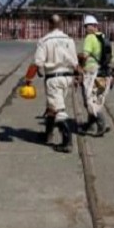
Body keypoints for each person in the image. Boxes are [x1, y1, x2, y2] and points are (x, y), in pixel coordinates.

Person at [33, 14, 80, 153]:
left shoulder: (44, 40)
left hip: (53, 79)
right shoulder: (69, 40)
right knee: (52, 107)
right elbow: (75, 62)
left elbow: (38, 63)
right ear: (61, 25)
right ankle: (47, 134)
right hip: (67, 78)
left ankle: (67, 142)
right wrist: (78, 75)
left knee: (58, 110)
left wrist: (29, 79)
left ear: (50, 24)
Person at [80, 15, 114, 136]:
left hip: (91, 73)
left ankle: (102, 124)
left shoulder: (90, 38)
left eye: (87, 26)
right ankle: (91, 125)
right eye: (85, 26)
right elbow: (112, 58)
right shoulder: (104, 37)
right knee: (97, 99)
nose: (85, 28)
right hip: (104, 73)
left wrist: (79, 67)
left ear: (94, 26)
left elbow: (84, 56)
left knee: (88, 101)